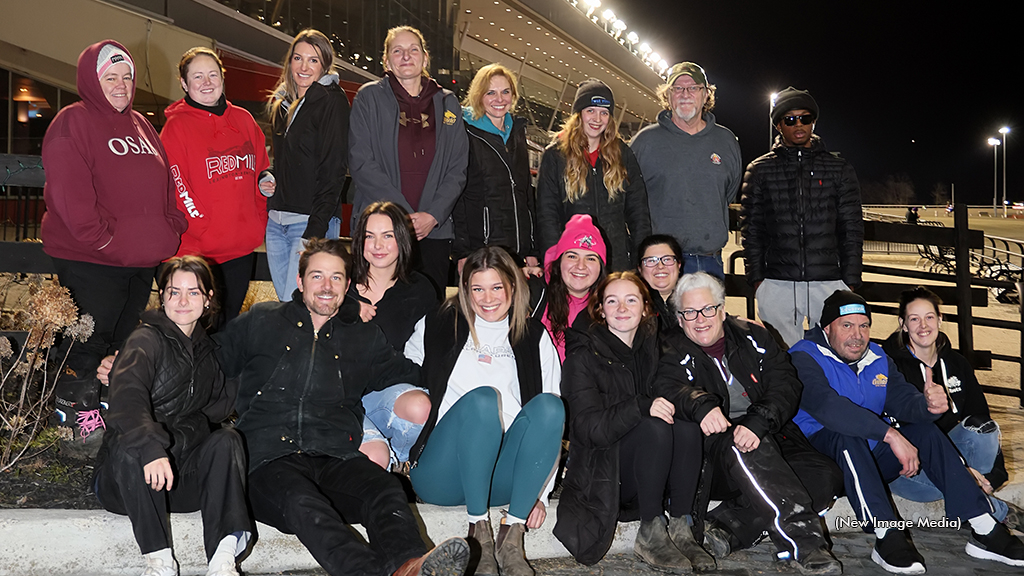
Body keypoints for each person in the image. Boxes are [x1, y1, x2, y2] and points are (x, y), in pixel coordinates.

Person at [216, 238, 469, 576]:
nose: (326, 286)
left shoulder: (363, 337)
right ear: (300, 280)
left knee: (385, 488)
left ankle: (409, 566)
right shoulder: (262, 320)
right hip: (267, 461)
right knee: (302, 501)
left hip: (334, 455)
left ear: (347, 285)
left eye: (336, 278)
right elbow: (209, 361)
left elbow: (418, 374)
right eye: (317, 276)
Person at [791, 290, 1024, 573]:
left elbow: (902, 400)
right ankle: (887, 535)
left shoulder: (877, 356)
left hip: (870, 454)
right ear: (827, 328)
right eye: (847, 325)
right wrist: (891, 435)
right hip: (824, 459)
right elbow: (829, 408)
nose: (857, 334)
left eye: (864, 325)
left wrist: (928, 405)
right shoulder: (803, 357)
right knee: (846, 437)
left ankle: (984, 528)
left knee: (923, 431)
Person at [43, 40, 187, 441]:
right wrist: (106, 240)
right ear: (92, 79)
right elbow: (70, 198)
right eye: (110, 77)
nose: (121, 85)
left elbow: (167, 186)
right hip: (92, 259)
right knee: (87, 342)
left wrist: (170, 227)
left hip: (140, 261)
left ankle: (109, 406)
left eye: (126, 77)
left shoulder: (141, 124)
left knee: (125, 343)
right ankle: (75, 422)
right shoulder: (72, 122)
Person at [656, 272, 842, 575]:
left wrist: (759, 421)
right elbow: (667, 386)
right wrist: (701, 405)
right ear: (679, 318)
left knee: (825, 476)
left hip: (769, 430)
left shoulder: (754, 336)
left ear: (721, 309)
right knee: (743, 445)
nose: (700, 319)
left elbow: (785, 383)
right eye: (689, 312)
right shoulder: (668, 348)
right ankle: (806, 546)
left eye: (707, 309)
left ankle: (730, 527)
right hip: (714, 451)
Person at [405, 246, 563, 576]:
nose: (487, 298)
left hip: (502, 479)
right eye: (478, 288)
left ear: (513, 287)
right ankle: (479, 532)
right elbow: (401, 379)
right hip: (443, 473)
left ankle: (511, 535)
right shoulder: (438, 323)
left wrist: (540, 494)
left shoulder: (534, 335)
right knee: (482, 401)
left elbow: (550, 422)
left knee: (550, 406)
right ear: (466, 290)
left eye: (496, 288)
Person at [93, 256, 250, 576]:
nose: (182, 301)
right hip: (128, 481)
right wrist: (152, 451)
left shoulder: (208, 352)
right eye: (173, 291)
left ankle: (222, 561)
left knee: (226, 440)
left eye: (193, 293)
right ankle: (159, 562)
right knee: (129, 444)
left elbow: (219, 406)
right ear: (162, 295)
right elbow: (127, 399)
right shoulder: (145, 339)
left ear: (208, 300)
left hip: (178, 480)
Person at [555, 273, 713, 572]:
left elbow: (675, 388)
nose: (622, 308)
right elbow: (587, 429)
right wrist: (640, 406)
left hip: (652, 470)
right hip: (604, 473)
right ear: (600, 309)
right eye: (612, 301)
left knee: (688, 429)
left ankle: (681, 527)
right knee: (652, 426)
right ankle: (650, 532)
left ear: (645, 308)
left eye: (631, 300)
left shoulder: (654, 349)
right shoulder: (583, 357)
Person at [882, 287, 1021, 530]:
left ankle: (971, 506)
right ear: (903, 324)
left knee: (982, 426)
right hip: (912, 471)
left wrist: (993, 475)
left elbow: (982, 417)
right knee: (934, 449)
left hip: (955, 463)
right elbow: (915, 434)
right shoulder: (890, 366)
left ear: (940, 319)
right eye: (914, 319)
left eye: (929, 317)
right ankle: (993, 510)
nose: (923, 325)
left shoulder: (957, 363)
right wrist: (963, 470)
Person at [350, 25, 469, 299]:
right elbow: (361, 162)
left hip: (433, 232)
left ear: (425, 59)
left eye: (413, 50)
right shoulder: (368, 98)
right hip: (382, 230)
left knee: (428, 312)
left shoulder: (448, 103)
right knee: (374, 307)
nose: (406, 56)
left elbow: (458, 167)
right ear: (386, 60)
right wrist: (400, 216)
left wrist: (434, 215)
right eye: (397, 51)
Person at [740, 87, 863, 348]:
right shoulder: (759, 169)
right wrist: (758, 279)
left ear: (814, 121)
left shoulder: (839, 168)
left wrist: (850, 280)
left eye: (805, 118)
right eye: (790, 119)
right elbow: (752, 230)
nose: (799, 125)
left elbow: (851, 228)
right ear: (778, 125)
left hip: (829, 282)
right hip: (776, 282)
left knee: (832, 358)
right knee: (784, 360)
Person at [162, 47, 270, 328]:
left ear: (223, 78)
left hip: (240, 249)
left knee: (229, 329)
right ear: (184, 84)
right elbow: (177, 187)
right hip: (198, 252)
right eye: (198, 77)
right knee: (198, 330)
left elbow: (262, 174)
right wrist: (204, 226)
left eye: (213, 74)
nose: (207, 82)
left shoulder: (245, 120)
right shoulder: (176, 127)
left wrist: (257, 222)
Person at [630, 62, 741, 279]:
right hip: (660, 263)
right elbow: (628, 199)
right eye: (677, 88)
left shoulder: (726, 141)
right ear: (668, 95)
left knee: (706, 314)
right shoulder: (644, 142)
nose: (685, 94)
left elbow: (727, 194)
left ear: (706, 94)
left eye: (693, 88)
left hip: (710, 262)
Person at [263, 29, 349, 301]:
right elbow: (285, 163)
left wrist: (315, 231)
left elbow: (334, 171)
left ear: (324, 64)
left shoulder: (332, 101)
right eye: (298, 58)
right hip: (277, 222)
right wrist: (268, 176)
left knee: (300, 306)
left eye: (313, 60)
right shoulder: (282, 104)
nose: (303, 66)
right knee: (286, 306)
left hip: (310, 222)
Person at [349, 201, 436, 469]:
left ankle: (401, 461)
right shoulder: (340, 282)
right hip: (340, 396)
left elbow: (426, 360)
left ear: (402, 239)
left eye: (388, 236)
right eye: (369, 236)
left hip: (388, 392)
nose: (378, 246)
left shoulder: (420, 290)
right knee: (374, 458)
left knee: (421, 406)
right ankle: (380, 455)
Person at [536, 79, 650, 272]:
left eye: (604, 113)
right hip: (576, 262)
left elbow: (638, 211)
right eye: (591, 111)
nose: (597, 119)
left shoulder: (623, 154)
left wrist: (643, 256)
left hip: (617, 262)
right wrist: (553, 260)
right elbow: (547, 214)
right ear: (579, 114)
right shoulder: (555, 156)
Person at [453, 63, 536, 268]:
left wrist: (532, 248)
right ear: (479, 95)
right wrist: (462, 251)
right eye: (491, 92)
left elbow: (526, 194)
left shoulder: (516, 132)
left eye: (505, 92)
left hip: (518, 250)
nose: (499, 99)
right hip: (482, 249)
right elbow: (457, 196)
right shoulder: (465, 133)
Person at [529, 214, 607, 361]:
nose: (580, 265)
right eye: (572, 256)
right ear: (559, 261)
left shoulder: (609, 306)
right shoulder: (535, 295)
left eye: (590, 258)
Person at [636, 234, 683, 332]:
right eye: (651, 261)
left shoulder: (694, 300)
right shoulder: (632, 305)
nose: (660, 266)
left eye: (667, 259)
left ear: (679, 265)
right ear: (640, 269)